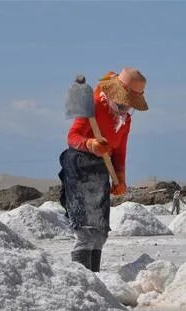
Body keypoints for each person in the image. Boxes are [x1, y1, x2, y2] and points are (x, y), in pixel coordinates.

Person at [58, 67, 148, 271]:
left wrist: (120, 178)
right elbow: (72, 137)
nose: (125, 108)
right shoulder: (93, 106)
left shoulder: (125, 121)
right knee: (85, 230)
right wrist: (91, 144)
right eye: (122, 102)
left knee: (99, 232)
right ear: (113, 93)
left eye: (129, 105)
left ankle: (95, 279)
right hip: (80, 166)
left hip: (101, 169)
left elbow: (120, 151)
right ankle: (82, 278)